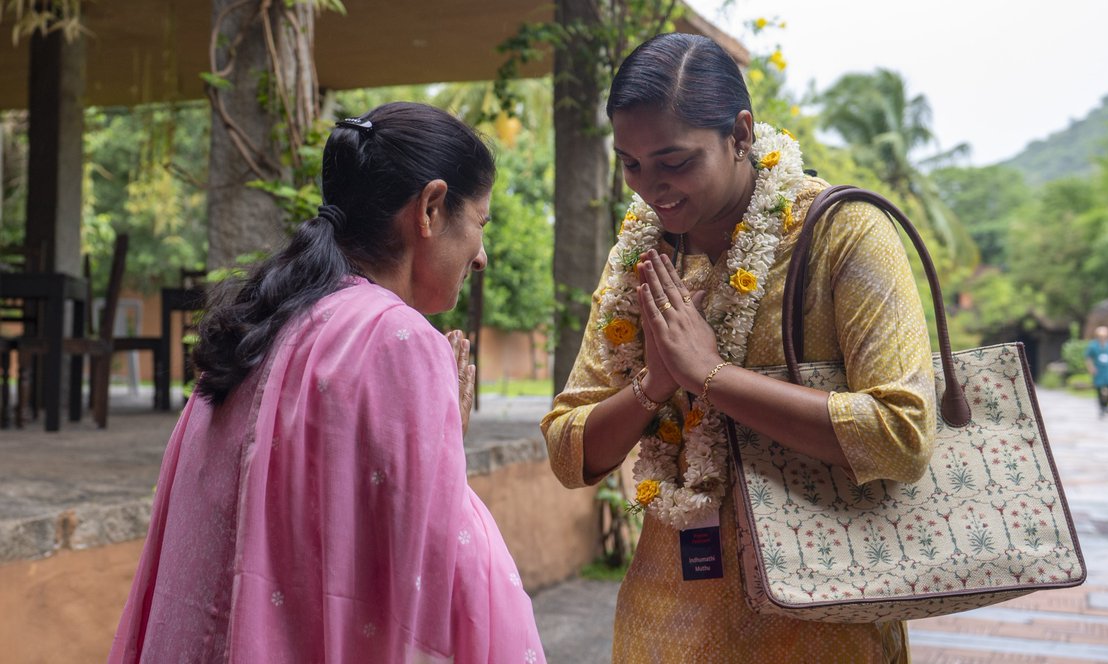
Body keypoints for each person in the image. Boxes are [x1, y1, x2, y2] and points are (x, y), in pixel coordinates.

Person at [541, 33, 936, 662]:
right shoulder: (641, 258)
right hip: (667, 619)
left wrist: (712, 376)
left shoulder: (842, 233)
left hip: (824, 614)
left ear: (742, 134)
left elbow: (902, 432)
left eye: (675, 161)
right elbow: (568, 449)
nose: (652, 187)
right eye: (632, 164)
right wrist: (655, 385)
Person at [109, 102, 545, 663]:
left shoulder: (267, 318)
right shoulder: (396, 338)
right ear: (431, 208)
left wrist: (434, 446)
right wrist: (445, 459)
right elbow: (432, 565)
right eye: (480, 224)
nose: (480, 256)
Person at [1085, 325, 1108, 416]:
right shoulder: (1093, 345)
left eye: (1104, 335)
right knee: (1099, 388)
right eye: (1100, 336)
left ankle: (1106, 405)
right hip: (1099, 370)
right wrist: (1091, 368)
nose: (1102, 337)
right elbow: (1088, 358)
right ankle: (1101, 407)